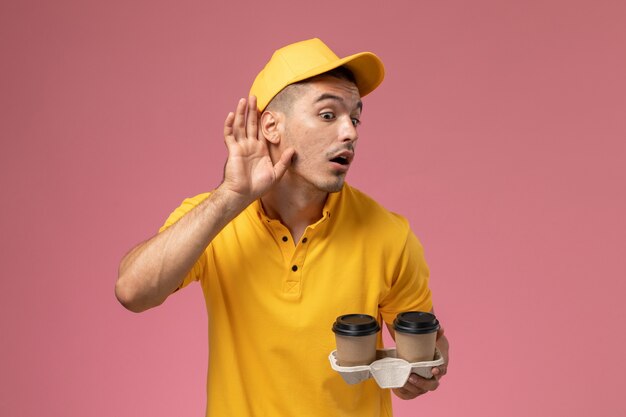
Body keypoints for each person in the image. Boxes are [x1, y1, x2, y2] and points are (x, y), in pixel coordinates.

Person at [116, 38, 449, 417]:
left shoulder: (389, 234)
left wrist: (425, 371)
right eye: (328, 115)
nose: (350, 133)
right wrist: (229, 197)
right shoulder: (215, 219)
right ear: (272, 127)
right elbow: (132, 292)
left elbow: (428, 344)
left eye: (355, 118)